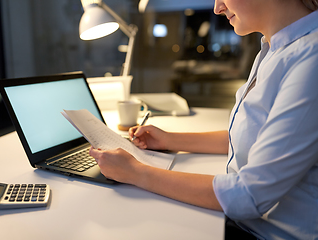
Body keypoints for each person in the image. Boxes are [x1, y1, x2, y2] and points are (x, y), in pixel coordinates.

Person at [89, 0, 318, 239]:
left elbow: (248, 196)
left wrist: (136, 172)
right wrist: (170, 140)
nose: (217, 8)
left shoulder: (310, 58)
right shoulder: (274, 47)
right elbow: (254, 137)